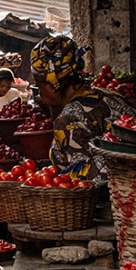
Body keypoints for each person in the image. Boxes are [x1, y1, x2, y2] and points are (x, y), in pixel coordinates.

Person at [29, 35, 111, 179]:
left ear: (54, 85)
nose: (40, 95)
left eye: (40, 88)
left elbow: (75, 181)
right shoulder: (107, 96)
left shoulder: (69, 118)